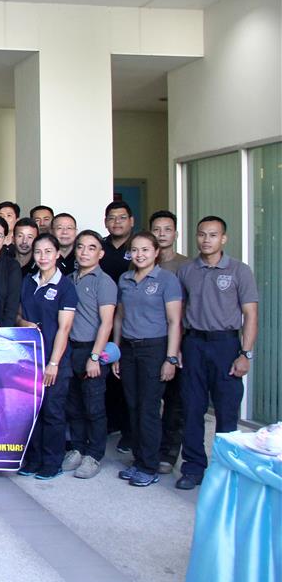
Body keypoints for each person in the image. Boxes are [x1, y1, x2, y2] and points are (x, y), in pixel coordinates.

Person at [174, 216, 259, 491]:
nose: (206, 240)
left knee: (226, 410)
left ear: (223, 239)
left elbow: (251, 314)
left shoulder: (239, 270)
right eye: (201, 234)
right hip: (194, 343)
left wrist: (246, 353)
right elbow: (178, 312)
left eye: (213, 235)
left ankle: (226, 471)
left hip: (226, 345)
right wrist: (177, 348)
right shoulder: (186, 270)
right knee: (192, 408)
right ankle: (193, 467)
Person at [112, 231, 183, 488]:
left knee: (149, 408)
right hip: (129, 349)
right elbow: (119, 317)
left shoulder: (167, 280)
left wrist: (171, 358)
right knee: (133, 406)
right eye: (135, 250)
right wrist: (117, 351)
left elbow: (175, 321)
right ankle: (139, 459)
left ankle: (149, 465)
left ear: (156, 252)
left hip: (155, 349)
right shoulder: (125, 279)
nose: (140, 254)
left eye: (145, 250)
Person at [17, 234, 77, 481]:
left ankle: (52, 462)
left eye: (48, 252)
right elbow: (18, 316)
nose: (42, 257)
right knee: (33, 411)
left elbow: (64, 328)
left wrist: (54, 363)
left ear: (57, 254)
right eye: (38, 252)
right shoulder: (28, 282)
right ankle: (33, 458)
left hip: (54, 360)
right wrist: (24, 322)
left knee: (53, 411)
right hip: (30, 359)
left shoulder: (65, 286)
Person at [61, 230, 116, 480]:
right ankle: (77, 448)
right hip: (70, 349)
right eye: (80, 247)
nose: (84, 252)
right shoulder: (69, 279)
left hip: (91, 349)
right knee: (74, 405)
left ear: (100, 253)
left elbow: (107, 323)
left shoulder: (103, 282)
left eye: (91, 248)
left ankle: (94, 454)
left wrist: (95, 356)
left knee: (94, 406)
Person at [149, 209, 189, 473]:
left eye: (167, 229)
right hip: (149, 339)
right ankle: (149, 451)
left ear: (175, 233)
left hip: (179, 340)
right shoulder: (142, 261)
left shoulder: (187, 266)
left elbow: (189, 309)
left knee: (176, 401)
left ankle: (169, 452)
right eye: (157, 229)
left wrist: (176, 349)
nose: (162, 234)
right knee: (150, 400)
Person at [100, 200, 135, 454]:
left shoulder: (139, 246)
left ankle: (128, 430)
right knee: (105, 375)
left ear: (131, 221)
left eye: (121, 218)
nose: (116, 222)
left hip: (129, 320)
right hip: (103, 321)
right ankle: (110, 423)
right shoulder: (99, 247)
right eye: (112, 218)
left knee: (127, 377)